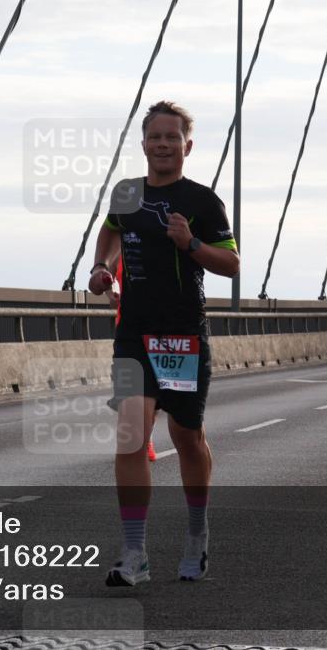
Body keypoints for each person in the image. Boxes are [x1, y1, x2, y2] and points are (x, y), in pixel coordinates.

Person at [88, 101, 238, 585]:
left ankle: (197, 534)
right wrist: (102, 268)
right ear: (144, 144)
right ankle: (135, 553)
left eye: (172, 138)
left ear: (186, 147)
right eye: (155, 137)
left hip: (182, 336)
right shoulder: (127, 194)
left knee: (187, 438)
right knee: (132, 435)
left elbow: (232, 265)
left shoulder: (202, 201)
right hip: (133, 331)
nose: (163, 145)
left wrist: (190, 243)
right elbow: (110, 232)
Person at [107, 256, 157, 462]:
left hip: (163, 331)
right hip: (128, 331)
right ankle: (140, 440)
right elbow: (108, 272)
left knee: (153, 394)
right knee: (130, 396)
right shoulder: (123, 247)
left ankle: (146, 437)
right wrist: (111, 293)